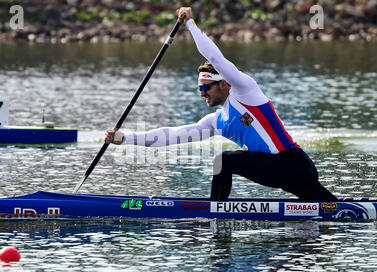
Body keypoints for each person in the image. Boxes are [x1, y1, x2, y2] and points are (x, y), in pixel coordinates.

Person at [105, 7, 338, 202]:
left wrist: (190, 24)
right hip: (282, 173)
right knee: (332, 209)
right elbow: (171, 135)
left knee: (224, 160)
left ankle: (215, 211)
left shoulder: (245, 90)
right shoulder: (217, 121)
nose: (202, 93)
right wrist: (124, 138)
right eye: (199, 88)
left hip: (292, 163)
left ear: (224, 84)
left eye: (206, 87)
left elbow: (216, 58)